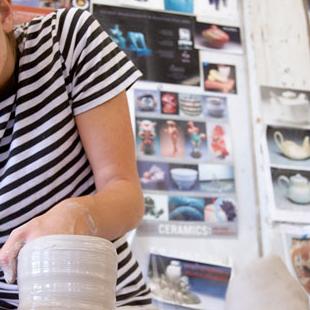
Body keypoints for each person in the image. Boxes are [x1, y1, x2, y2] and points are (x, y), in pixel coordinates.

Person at [0, 0, 154, 308]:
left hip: (106, 298)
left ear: (4, 14)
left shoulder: (66, 42)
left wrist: (80, 215)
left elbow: (126, 194)